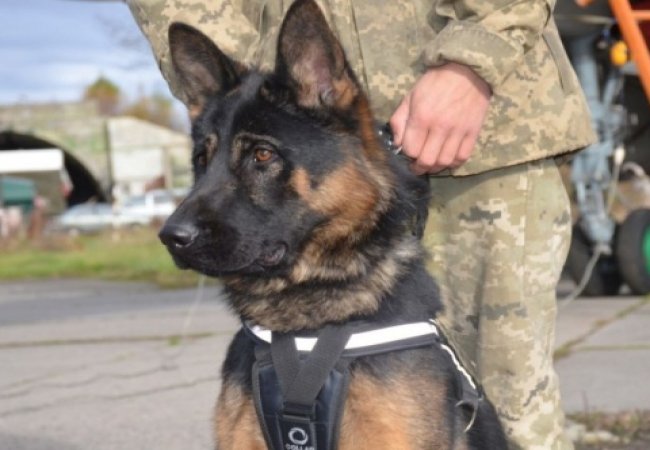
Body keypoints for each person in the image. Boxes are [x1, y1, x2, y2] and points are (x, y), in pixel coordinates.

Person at [128, 1, 595, 448]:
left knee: (513, 414)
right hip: (288, 98)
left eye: (261, 158)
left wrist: (470, 62)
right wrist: (246, 84)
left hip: (481, 130)